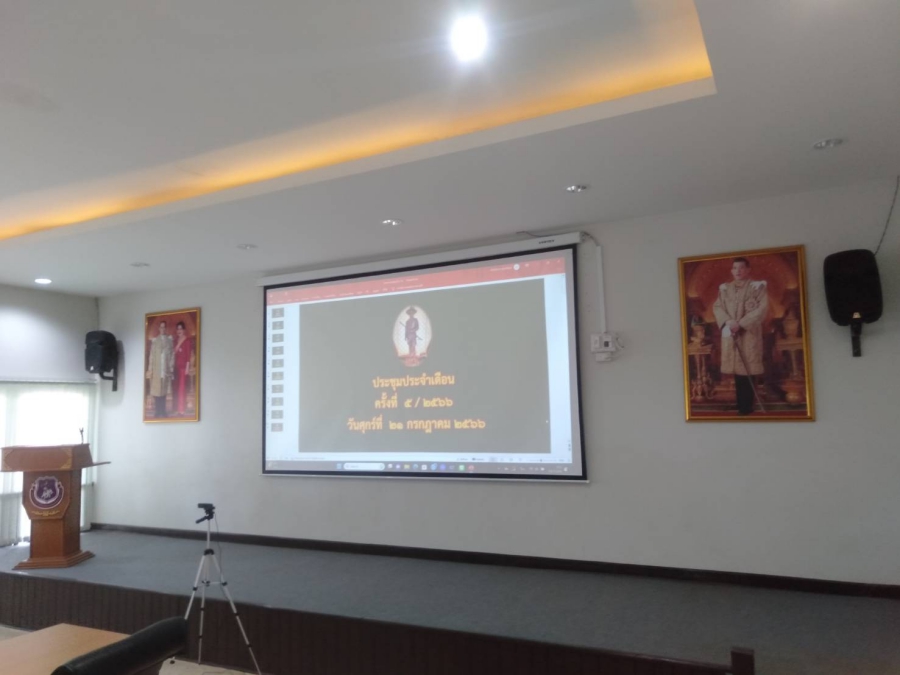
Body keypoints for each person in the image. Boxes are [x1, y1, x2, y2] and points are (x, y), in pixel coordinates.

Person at [712, 257, 768, 415]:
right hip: (731, 332)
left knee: (747, 368)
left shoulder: (757, 287)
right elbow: (717, 306)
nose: (738, 271)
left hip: (748, 334)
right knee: (737, 370)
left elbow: (762, 309)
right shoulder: (725, 289)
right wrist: (727, 321)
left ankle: (747, 406)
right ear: (731, 270)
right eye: (735, 268)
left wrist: (741, 324)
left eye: (741, 268)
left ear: (748, 270)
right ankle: (740, 403)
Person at [146, 320, 174, 418]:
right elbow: (151, 356)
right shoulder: (155, 341)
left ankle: (163, 411)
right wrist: (150, 369)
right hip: (156, 369)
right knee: (157, 390)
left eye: (164, 327)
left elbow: (172, 355)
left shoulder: (169, 341)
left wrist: (171, 367)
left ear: (166, 328)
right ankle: (158, 411)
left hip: (165, 369)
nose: (162, 329)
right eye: (161, 327)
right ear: (159, 328)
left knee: (164, 391)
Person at [173, 321, 194, 416]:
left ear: (184, 330)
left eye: (181, 329)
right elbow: (174, 353)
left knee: (182, 389)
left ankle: (181, 410)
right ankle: (177, 409)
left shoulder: (187, 340)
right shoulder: (175, 340)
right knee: (176, 389)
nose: (179, 331)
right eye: (178, 329)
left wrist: (187, 368)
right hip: (176, 367)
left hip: (183, 368)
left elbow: (188, 355)